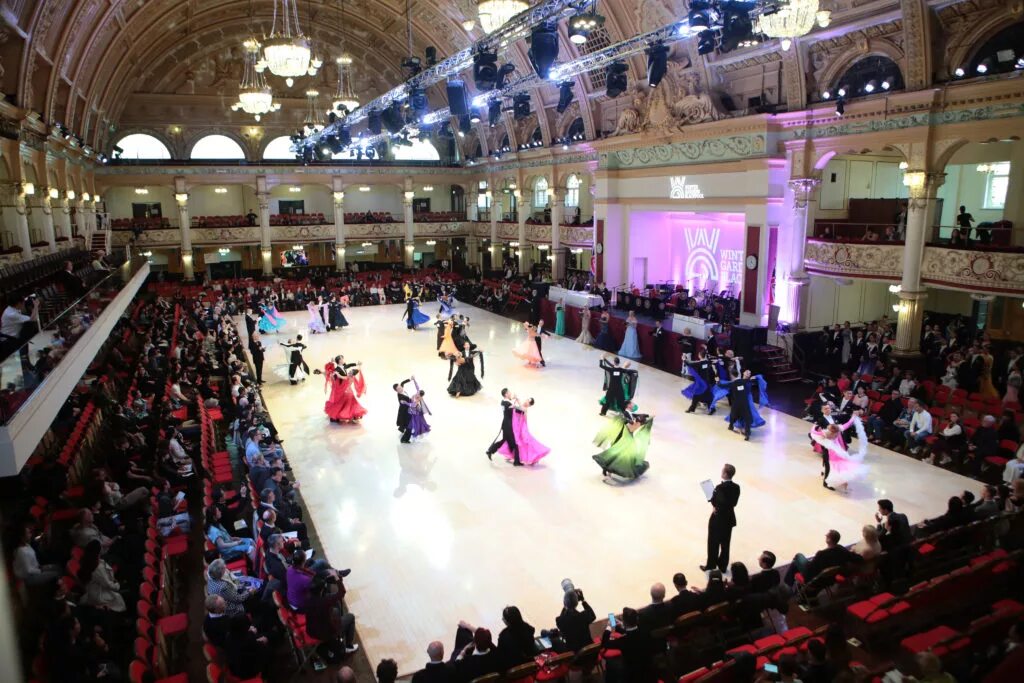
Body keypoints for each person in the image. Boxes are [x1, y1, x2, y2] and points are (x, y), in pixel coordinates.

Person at [592, 402, 654, 481]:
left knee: (622, 456)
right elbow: (625, 420)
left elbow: (638, 416)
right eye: (632, 404)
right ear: (628, 405)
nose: (633, 405)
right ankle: (610, 470)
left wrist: (649, 416)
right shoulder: (624, 414)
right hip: (622, 438)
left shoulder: (630, 414)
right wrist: (629, 421)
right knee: (618, 456)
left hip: (627, 438)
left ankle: (611, 470)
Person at [810, 412, 868, 493]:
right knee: (836, 467)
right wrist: (853, 417)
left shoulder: (828, 434)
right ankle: (829, 481)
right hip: (836, 453)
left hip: (835, 454)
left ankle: (828, 481)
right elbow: (847, 424)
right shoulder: (833, 431)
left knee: (832, 467)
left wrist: (815, 426)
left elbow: (813, 432)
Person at [783, 530, 861, 587]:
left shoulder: (821, 554)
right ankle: (789, 586)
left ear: (829, 540)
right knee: (795, 564)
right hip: (829, 579)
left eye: (827, 536)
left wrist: (810, 561)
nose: (826, 537)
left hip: (814, 578)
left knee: (798, 556)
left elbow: (810, 568)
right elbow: (857, 558)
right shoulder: (841, 550)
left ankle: (787, 587)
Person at [702, 463, 740, 573]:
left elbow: (716, 501)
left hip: (718, 519)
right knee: (725, 543)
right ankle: (723, 565)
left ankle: (711, 564)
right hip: (729, 519)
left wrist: (713, 501)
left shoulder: (720, 488)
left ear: (725, 473)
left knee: (713, 543)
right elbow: (734, 503)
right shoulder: (736, 487)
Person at [601, 607, 654, 683]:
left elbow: (604, 643)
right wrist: (622, 625)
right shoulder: (645, 632)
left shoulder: (623, 640)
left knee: (610, 663)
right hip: (648, 668)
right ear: (637, 619)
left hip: (631, 673)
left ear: (625, 622)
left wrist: (609, 626)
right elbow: (632, 632)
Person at [77, 540, 126, 612]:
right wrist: (118, 584)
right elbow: (109, 585)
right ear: (98, 551)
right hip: (99, 595)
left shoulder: (88, 561)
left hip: (94, 590)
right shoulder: (98, 568)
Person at [497, 397, 549, 465]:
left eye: (528, 402)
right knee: (515, 442)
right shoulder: (521, 406)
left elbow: (520, 410)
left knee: (523, 443)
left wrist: (516, 403)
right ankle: (512, 455)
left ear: (529, 405)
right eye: (527, 399)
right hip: (515, 426)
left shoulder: (525, 409)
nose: (526, 401)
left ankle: (532, 456)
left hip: (520, 428)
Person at [556, 586, 596, 652]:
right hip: (590, 653)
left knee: (556, 641)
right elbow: (592, 615)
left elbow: (561, 619)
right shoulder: (584, 616)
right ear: (577, 603)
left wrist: (565, 605)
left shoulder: (560, 620)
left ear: (564, 603)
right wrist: (583, 600)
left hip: (575, 657)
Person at [486, 389, 521, 466]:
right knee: (515, 443)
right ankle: (517, 462)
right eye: (509, 392)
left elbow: (510, 402)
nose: (510, 393)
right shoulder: (508, 404)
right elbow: (520, 409)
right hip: (508, 425)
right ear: (505, 394)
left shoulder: (503, 402)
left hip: (505, 424)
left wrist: (513, 399)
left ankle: (490, 450)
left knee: (504, 440)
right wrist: (517, 399)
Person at [0, 294, 39, 362]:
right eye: (23, 302)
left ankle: (27, 364)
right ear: (18, 303)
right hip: (8, 342)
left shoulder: (11, 308)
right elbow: (32, 320)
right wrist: (36, 306)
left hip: (13, 338)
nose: (24, 303)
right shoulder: (11, 314)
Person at [496, 605, 536, 670]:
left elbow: (500, 655)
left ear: (507, 622)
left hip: (513, 668)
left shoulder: (503, 636)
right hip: (530, 663)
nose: (502, 619)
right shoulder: (528, 628)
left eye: (504, 618)